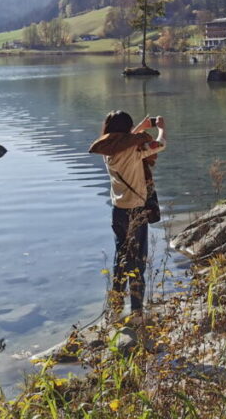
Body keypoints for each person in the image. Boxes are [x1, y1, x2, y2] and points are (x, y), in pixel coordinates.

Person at [88, 111, 166, 324]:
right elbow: (160, 145)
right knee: (137, 261)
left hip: (117, 212)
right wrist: (160, 128)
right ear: (126, 129)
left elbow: (123, 140)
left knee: (120, 259)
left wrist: (141, 127)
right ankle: (137, 313)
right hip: (136, 211)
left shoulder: (107, 151)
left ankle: (115, 310)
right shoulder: (135, 150)